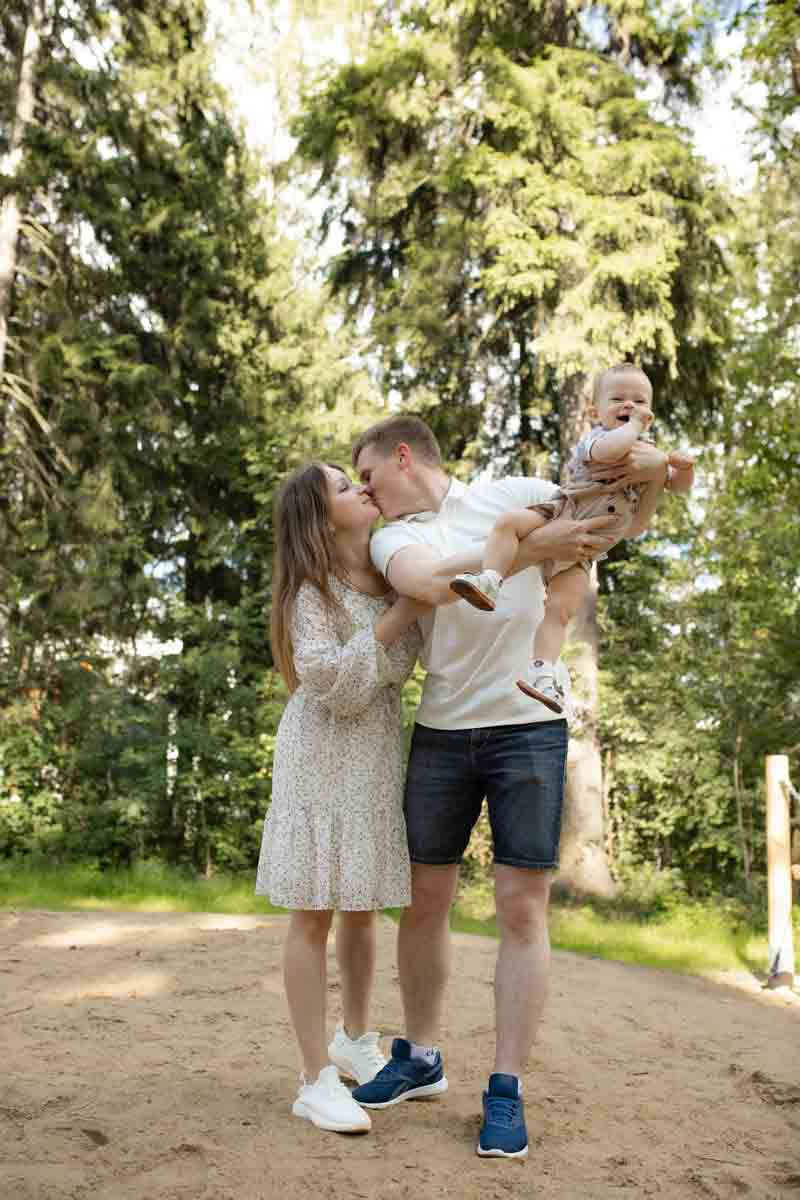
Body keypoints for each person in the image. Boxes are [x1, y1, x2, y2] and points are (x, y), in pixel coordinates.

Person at [347, 412, 672, 1158]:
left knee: (522, 907)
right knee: (422, 903)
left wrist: (630, 480)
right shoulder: (393, 536)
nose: (365, 492)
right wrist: (535, 548)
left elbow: (597, 533)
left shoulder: (515, 491)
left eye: (369, 475)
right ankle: (420, 1057)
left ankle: (505, 1087)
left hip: (529, 725)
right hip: (441, 731)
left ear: (404, 457)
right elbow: (426, 583)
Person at [256, 461, 424, 1135]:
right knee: (314, 915)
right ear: (323, 519)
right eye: (344, 486)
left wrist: (395, 619)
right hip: (318, 758)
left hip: (374, 757)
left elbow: (399, 668)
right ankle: (313, 1078)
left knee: (362, 908)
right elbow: (331, 684)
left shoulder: (394, 577)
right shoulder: (311, 592)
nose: (363, 488)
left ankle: (354, 1039)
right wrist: (395, 622)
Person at [449, 364, 695, 713]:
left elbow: (677, 487)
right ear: (595, 413)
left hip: (585, 549)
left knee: (560, 612)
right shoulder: (595, 439)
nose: (629, 405)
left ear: (651, 415)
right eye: (618, 399)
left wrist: (684, 469)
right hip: (562, 512)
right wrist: (637, 430)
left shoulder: (649, 451)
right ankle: (490, 579)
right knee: (508, 523)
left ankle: (542, 672)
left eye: (639, 401)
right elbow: (611, 451)